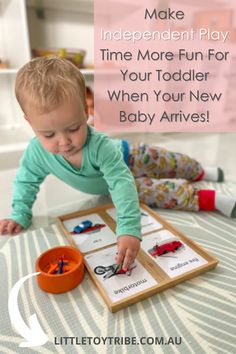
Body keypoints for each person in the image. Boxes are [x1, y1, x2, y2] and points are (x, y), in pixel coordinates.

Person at [0, 57, 235, 268]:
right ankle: (213, 200)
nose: (64, 142)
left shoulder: (99, 145)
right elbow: (25, 181)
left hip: (128, 157)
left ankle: (202, 172)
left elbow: (121, 182)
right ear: (30, 122)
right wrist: (20, 213)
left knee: (171, 162)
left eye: (73, 128)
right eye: (48, 135)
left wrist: (129, 228)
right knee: (159, 193)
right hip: (111, 186)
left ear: (85, 111)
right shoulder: (35, 153)